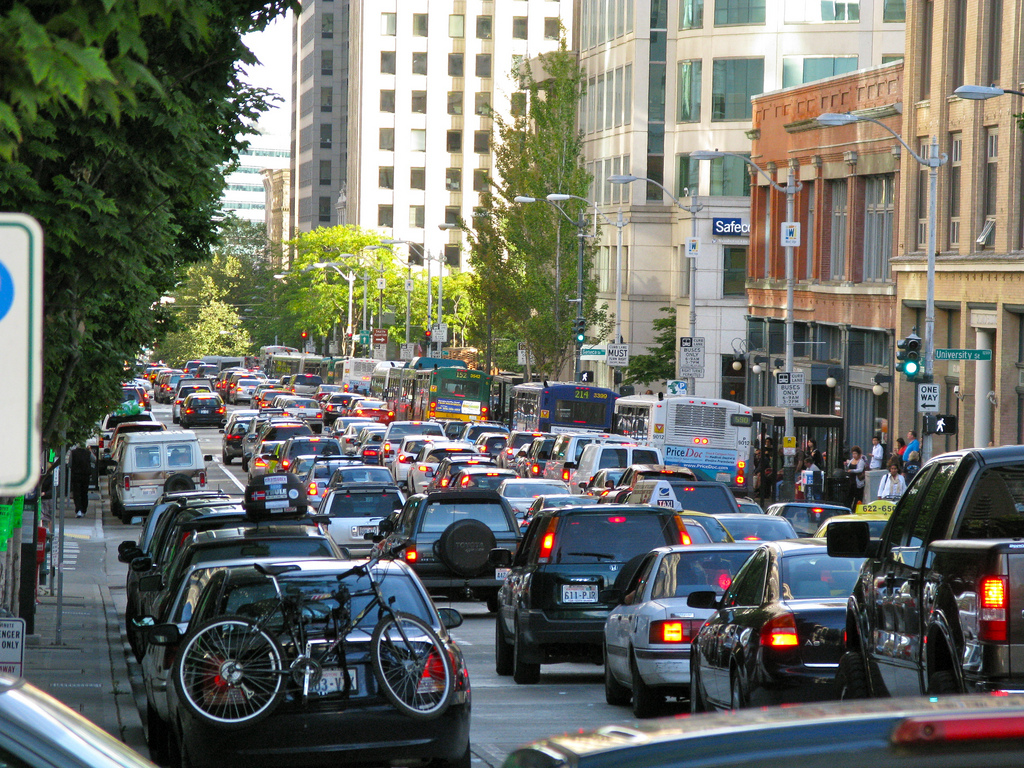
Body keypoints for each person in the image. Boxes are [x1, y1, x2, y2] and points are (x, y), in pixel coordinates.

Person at [69, 444, 92, 518]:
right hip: (86, 476)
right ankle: (84, 510)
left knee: (76, 493)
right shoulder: (88, 453)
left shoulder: (73, 452)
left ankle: (78, 509)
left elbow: (69, 464)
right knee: (84, 493)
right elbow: (94, 459)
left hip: (76, 476)